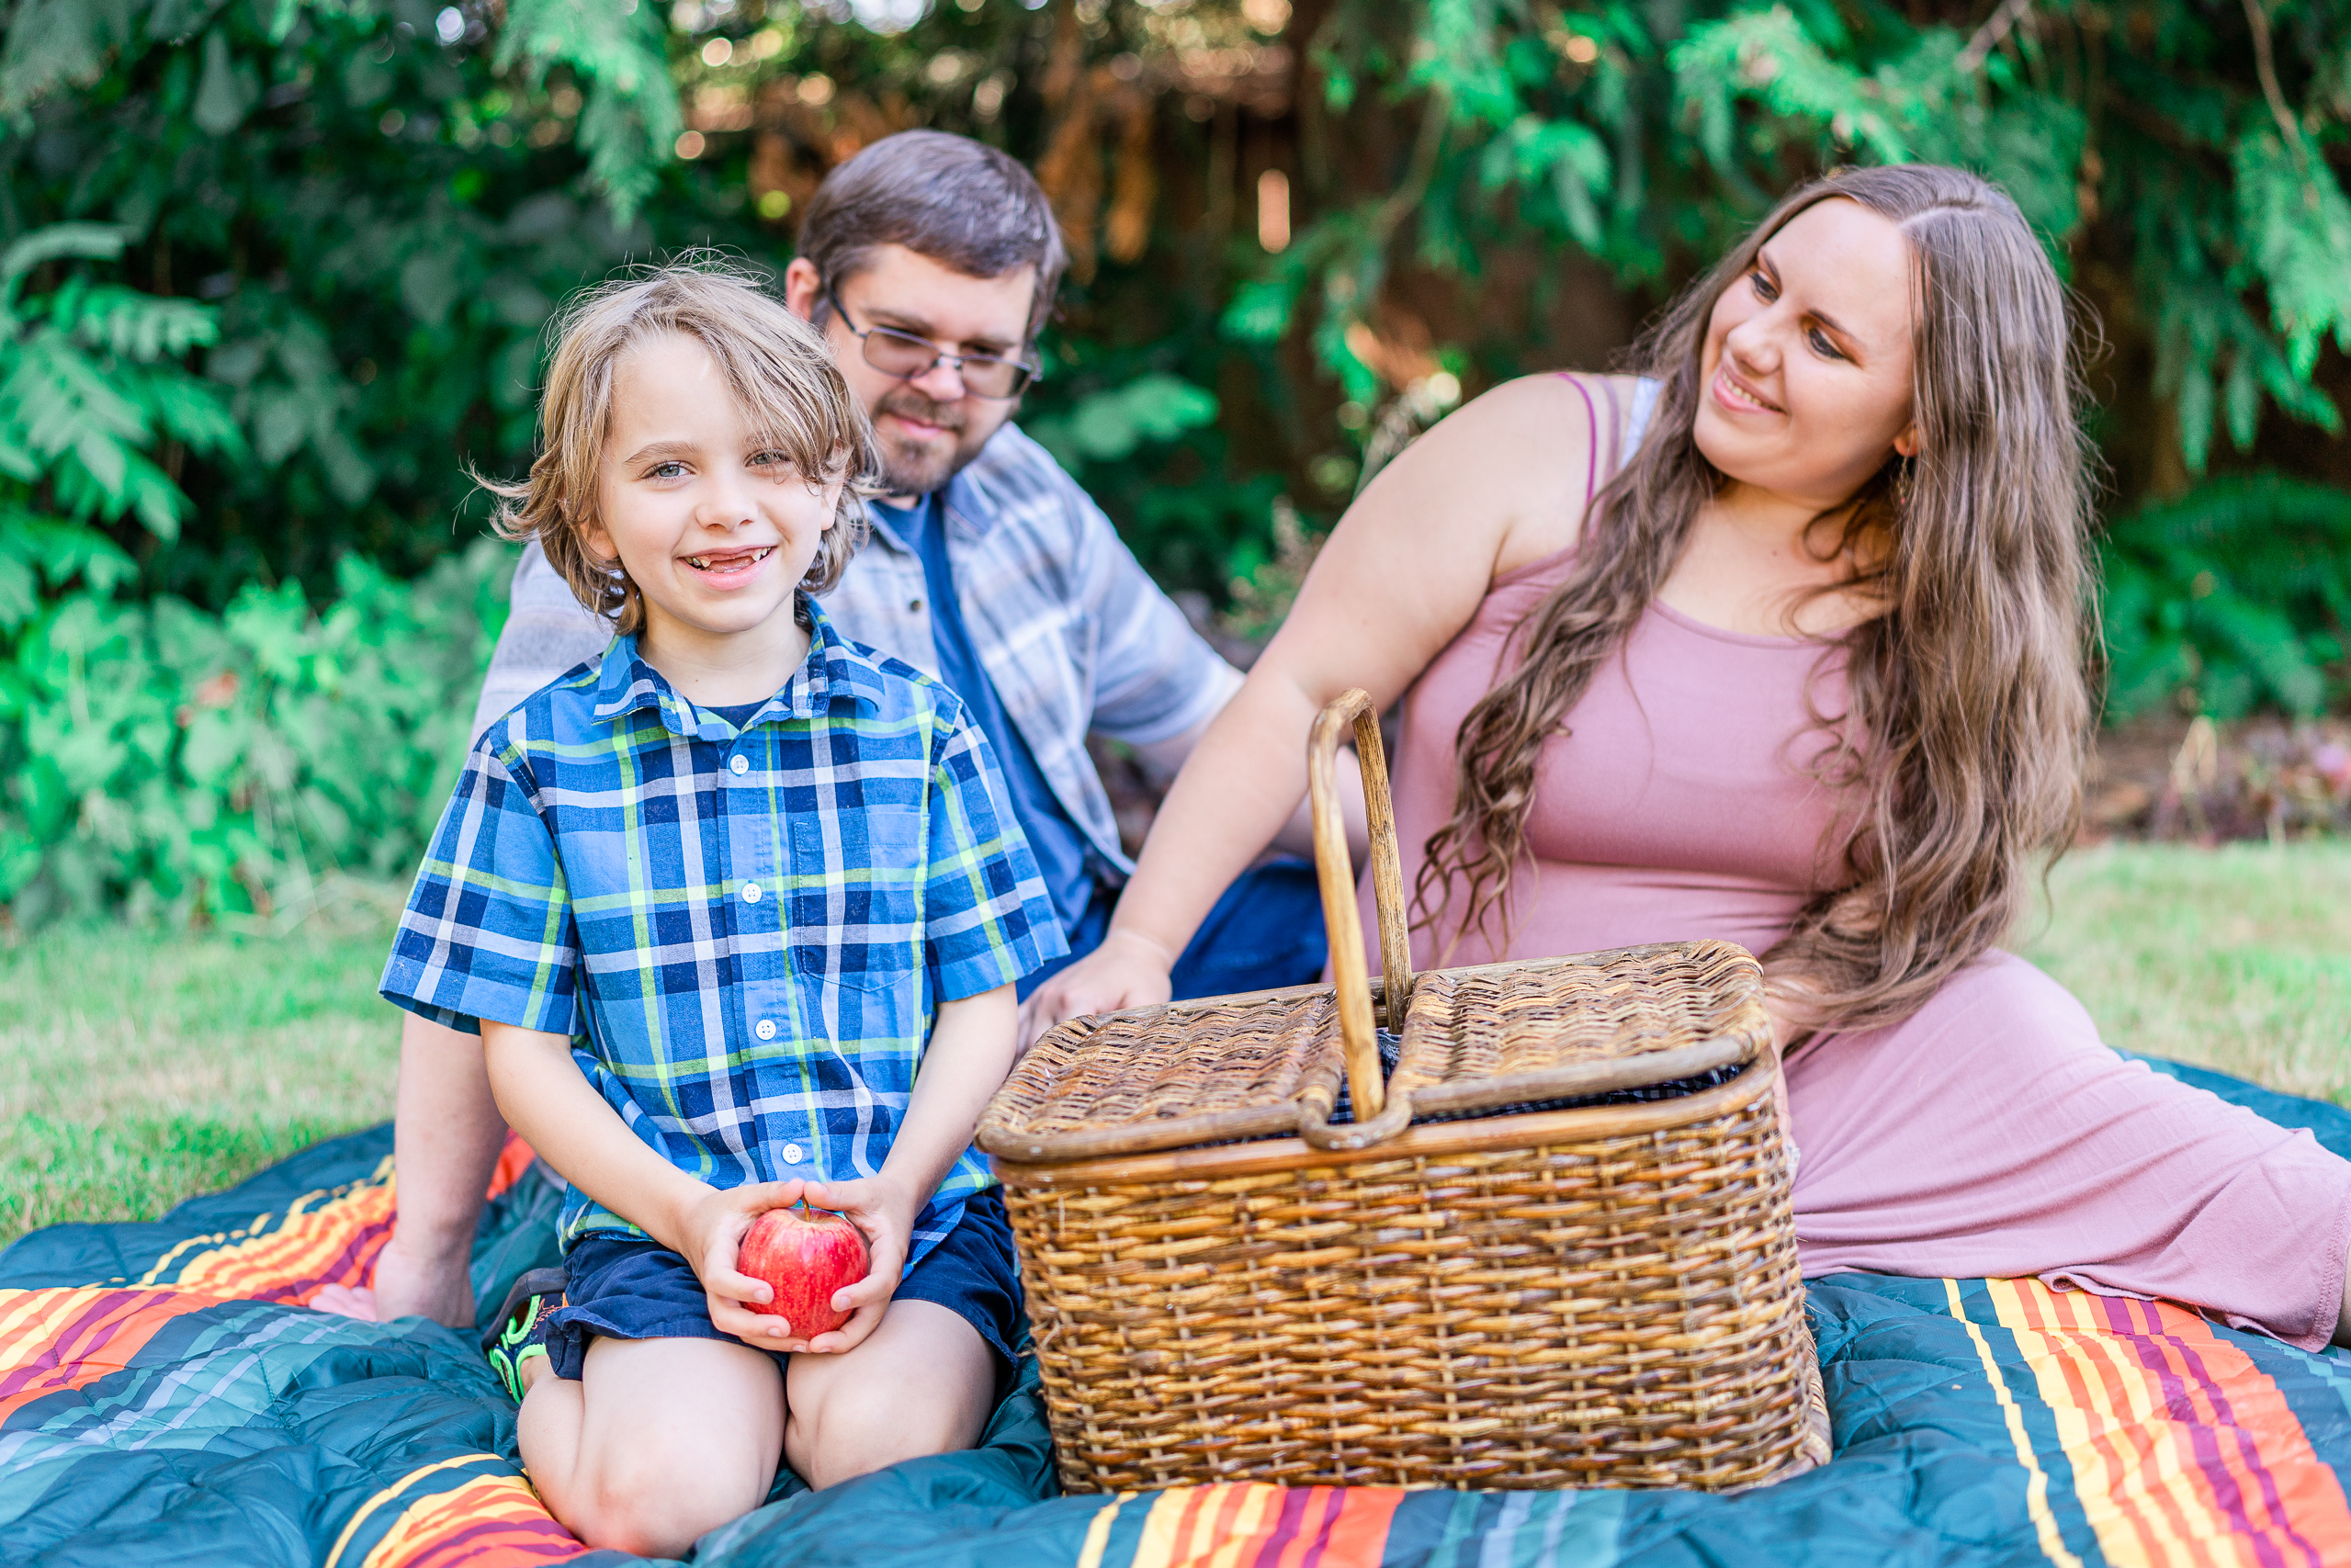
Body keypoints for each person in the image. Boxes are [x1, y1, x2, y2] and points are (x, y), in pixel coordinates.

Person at [1028, 164, 2351, 1352]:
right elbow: (1301, 697)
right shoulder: (1543, 452)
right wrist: (1140, 946)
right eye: (1763, 285)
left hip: (1792, 1078)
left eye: (1826, 341)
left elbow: (1918, 892)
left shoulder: (1952, 602)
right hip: (1458, 1083)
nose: (1753, 343)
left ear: (1923, 423)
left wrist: (1711, 1062)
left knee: (2291, 1212)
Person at [324, 130, 1360, 1329]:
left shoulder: (1029, 496)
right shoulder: (689, 548)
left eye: (988, 357)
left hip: (1068, 960)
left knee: (1347, 917)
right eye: (906, 338)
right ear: (810, 298)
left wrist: (1408, 850)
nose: (945, 385)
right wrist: (428, 1253)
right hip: (871, 1028)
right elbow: (503, 908)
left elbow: (1220, 737)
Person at [379, 262, 1066, 1555]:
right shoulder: (540, 759)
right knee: (665, 1499)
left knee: (880, 1450)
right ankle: (546, 1347)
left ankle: (808, 1379)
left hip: (903, 1213)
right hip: (664, 1210)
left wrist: (902, 1192)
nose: (729, 509)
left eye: (771, 462)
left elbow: (985, 1000)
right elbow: (519, 1054)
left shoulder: (915, 733)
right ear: (587, 520)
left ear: (830, 493)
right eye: (668, 470)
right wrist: (693, 1221)